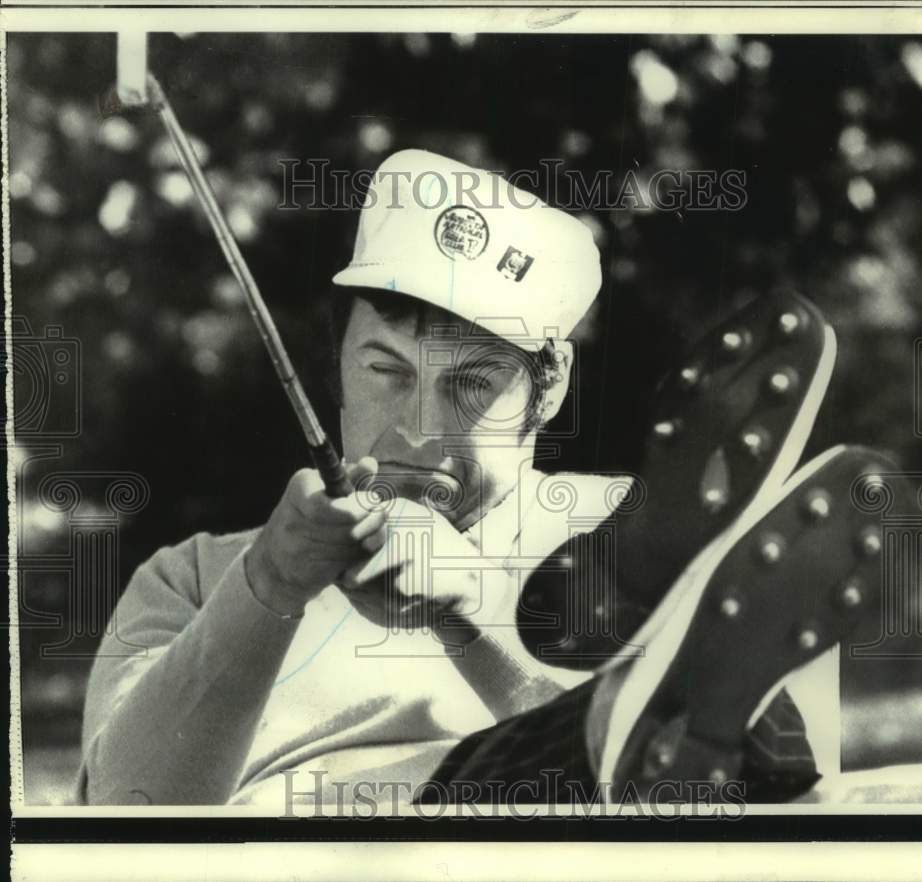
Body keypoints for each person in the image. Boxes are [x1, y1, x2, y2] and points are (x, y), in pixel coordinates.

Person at [77, 149, 628, 807]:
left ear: (552, 384)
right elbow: (125, 822)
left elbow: (675, 787)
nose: (418, 429)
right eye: (386, 371)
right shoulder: (196, 578)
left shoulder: (633, 536)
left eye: (472, 382)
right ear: (336, 364)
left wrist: (472, 613)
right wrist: (267, 588)